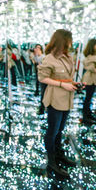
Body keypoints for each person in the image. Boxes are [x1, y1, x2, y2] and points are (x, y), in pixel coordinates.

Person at [38, 29, 78, 178]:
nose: (71, 43)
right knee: (52, 130)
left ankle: (59, 154)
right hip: (55, 98)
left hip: (67, 97)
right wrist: (62, 85)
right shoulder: (49, 58)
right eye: (69, 40)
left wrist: (74, 83)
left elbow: (67, 76)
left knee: (60, 129)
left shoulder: (67, 57)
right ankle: (51, 161)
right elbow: (42, 78)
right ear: (63, 40)